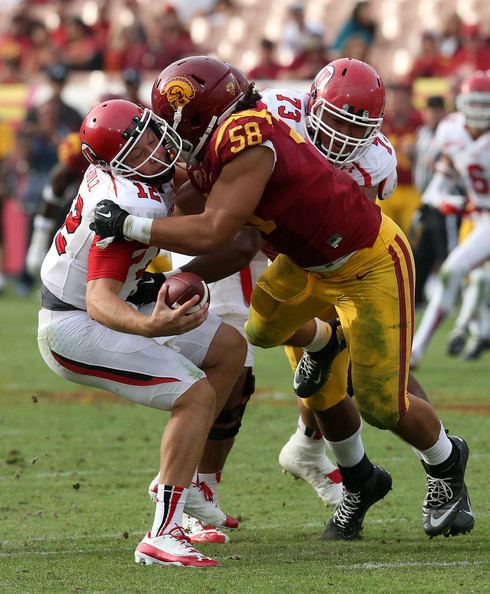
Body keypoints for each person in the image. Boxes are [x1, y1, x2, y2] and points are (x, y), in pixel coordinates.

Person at [92, 56, 474, 541]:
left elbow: (218, 230)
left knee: (380, 401)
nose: (172, 135)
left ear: (202, 115)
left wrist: (128, 224)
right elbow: (209, 212)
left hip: (365, 264)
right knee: (261, 331)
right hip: (300, 260)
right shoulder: (250, 122)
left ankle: (445, 460)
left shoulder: (247, 138)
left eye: (178, 123)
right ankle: (330, 378)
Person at [37, 98, 247, 567]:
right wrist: (150, 325)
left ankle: (177, 477)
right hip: (74, 322)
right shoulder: (124, 201)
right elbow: (99, 299)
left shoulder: (137, 175)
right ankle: (162, 534)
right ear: (114, 162)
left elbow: (183, 193)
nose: (153, 146)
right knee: (193, 396)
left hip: (113, 298)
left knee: (229, 348)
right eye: (137, 146)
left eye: (150, 132)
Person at [411, 70, 490, 368]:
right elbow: (440, 180)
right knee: (452, 270)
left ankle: (474, 331)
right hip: (483, 218)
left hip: (482, 214)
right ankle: (417, 350)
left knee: (466, 273)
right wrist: (445, 199)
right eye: (476, 103)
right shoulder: (450, 130)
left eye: (486, 104)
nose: (480, 112)